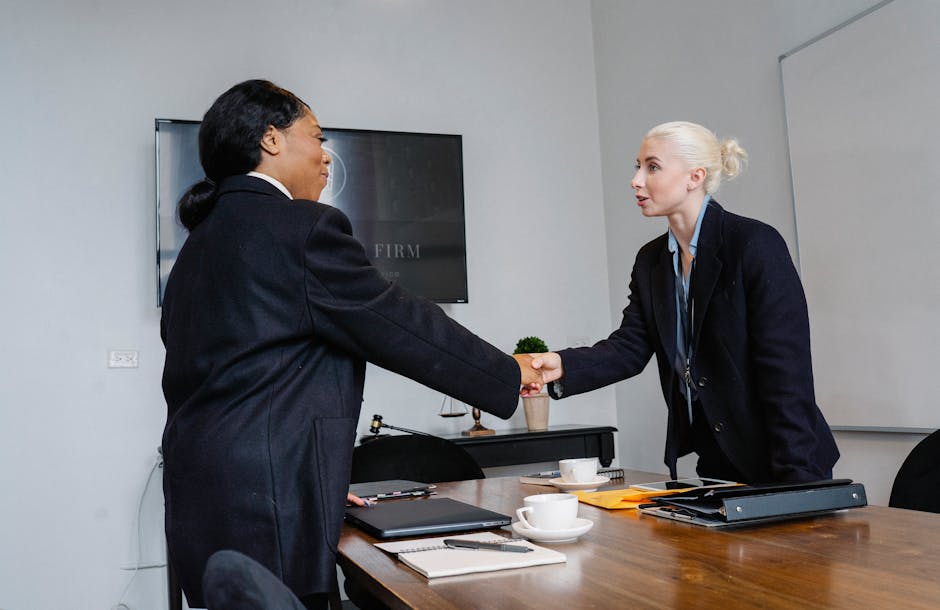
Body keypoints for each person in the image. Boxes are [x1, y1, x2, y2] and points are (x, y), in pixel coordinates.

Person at [160, 79, 544, 608]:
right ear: (271, 139)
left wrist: (307, 472)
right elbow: (400, 324)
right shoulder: (301, 228)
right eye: (316, 137)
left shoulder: (197, 245)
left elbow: (239, 381)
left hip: (207, 494)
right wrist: (510, 371)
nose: (326, 157)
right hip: (268, 504)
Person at [523, 121, 838, 484]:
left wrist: (797, 484)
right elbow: (630, 348)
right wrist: (560, 365)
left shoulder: (754, 245)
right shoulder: (650, 261)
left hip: (786, 460)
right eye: (637, 166)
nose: (636, 180)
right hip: (719, 460)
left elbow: (787, 373)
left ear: (695, 177)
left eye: (652, 167)